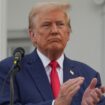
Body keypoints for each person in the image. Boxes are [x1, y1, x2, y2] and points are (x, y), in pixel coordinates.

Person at [0, 2, 105, 105]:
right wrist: (55, 104)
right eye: (47, 25)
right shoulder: (11, 70)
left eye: (60, 24)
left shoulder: (89, 76)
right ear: (32, 35)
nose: (55, 31)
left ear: (68, 33)